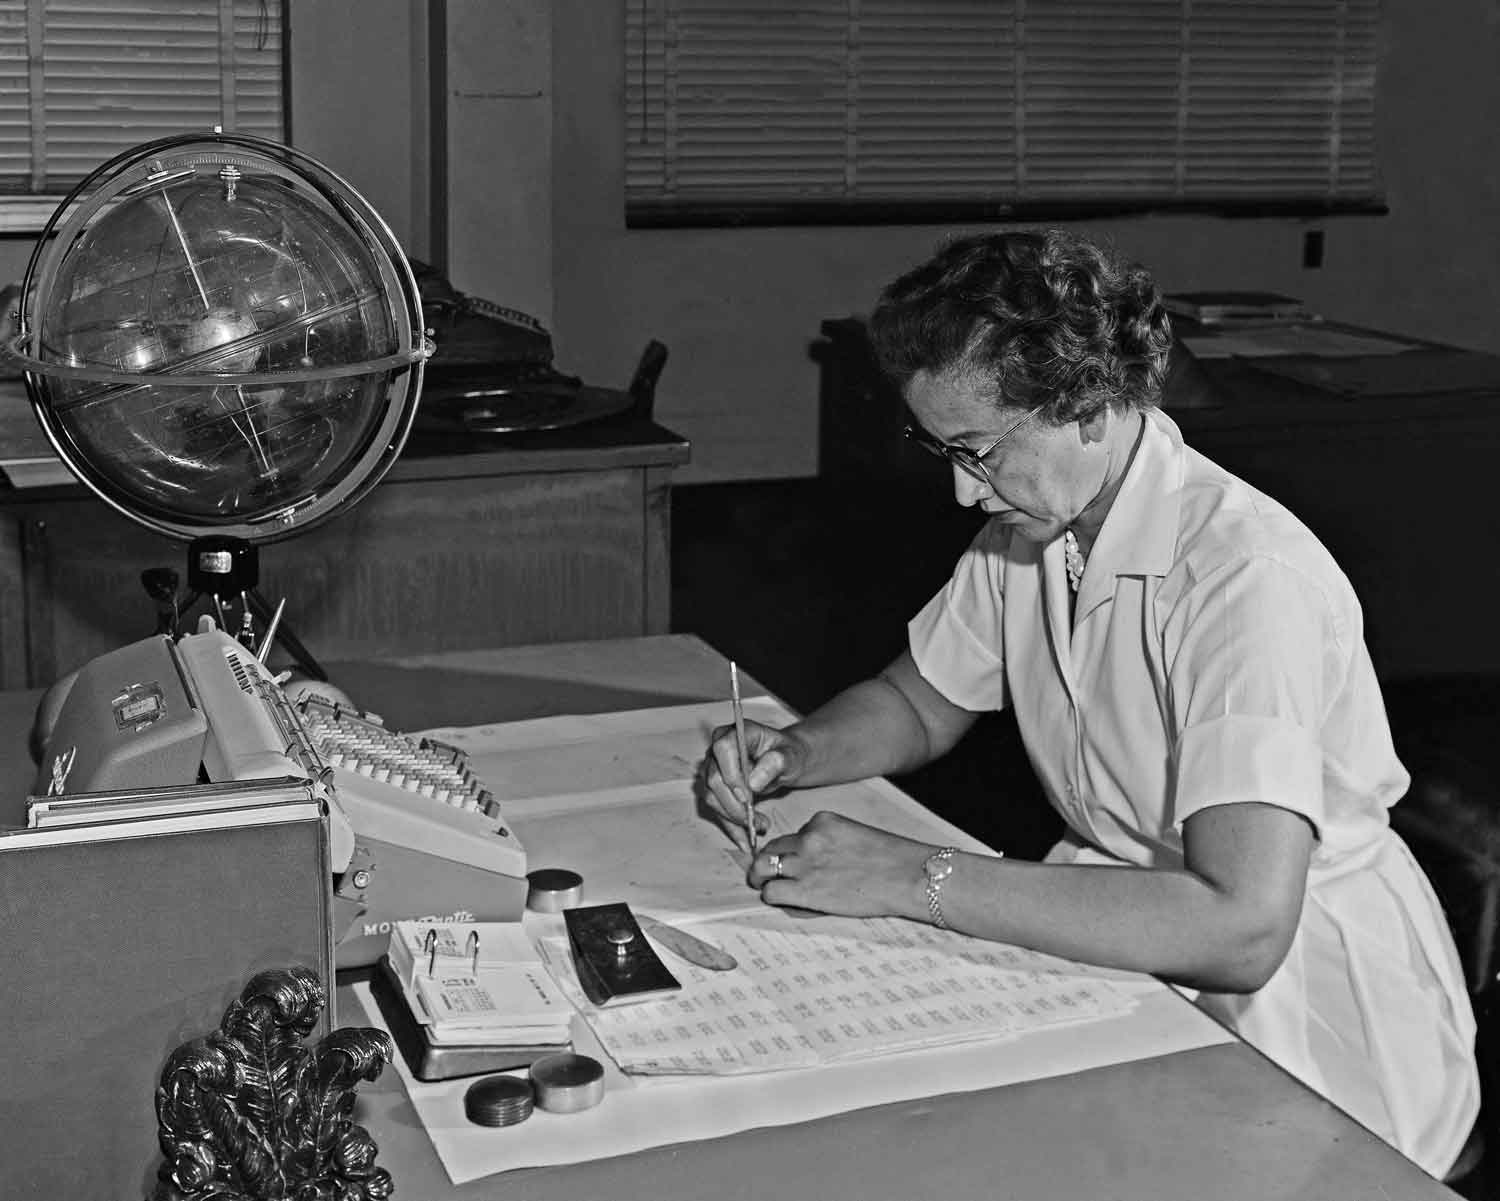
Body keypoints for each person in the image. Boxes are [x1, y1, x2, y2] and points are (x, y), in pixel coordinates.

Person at [702, 229, 1479, 1179]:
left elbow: (1241, 927)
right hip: (1121, 931)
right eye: (942, 449)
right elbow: (919, 702)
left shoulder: (1243, 581)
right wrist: (799, 748)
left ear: (1089, 406)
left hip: (1307, 1021)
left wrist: (914, 875)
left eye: (979, 452)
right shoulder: (1033, 531)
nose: (960, 490)